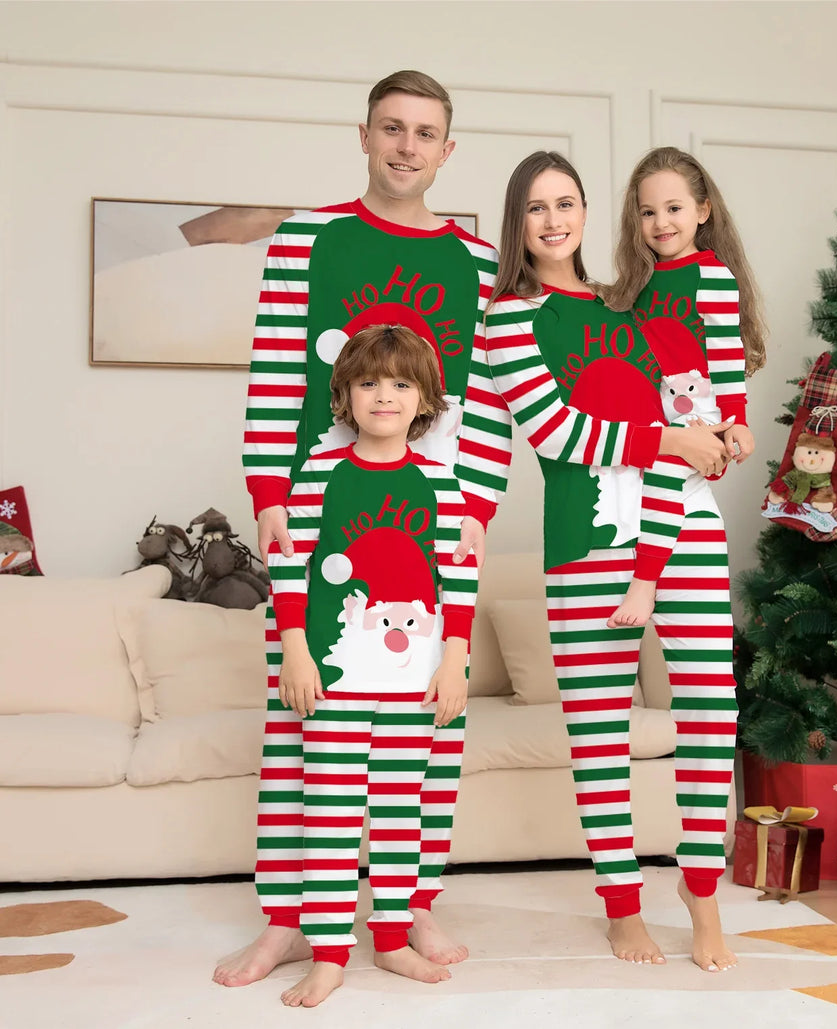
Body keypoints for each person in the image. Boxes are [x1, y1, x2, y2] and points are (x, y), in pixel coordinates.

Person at [215, 69, 509, 989]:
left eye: (426, 132)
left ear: (447, 150)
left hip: (432, 512)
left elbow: (489, 395)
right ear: (366, 134)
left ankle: (407, 907)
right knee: (301, 729)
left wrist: (478, 507)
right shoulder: (307, 236)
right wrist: (270, 492)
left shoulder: (473, 257)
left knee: (428, 733)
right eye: (392, 128)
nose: (407, 146)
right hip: (320, 513)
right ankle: (289, 919)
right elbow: (274, 372)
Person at [472, 150, 737, 972]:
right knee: (598, 733)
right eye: (535, 208)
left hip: (683, 522)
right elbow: (557, 434)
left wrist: (722, 434)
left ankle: (702, 894)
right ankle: (621, 904)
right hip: (584, 540)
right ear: (518, 222)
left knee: (711, 716)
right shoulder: (510, 318)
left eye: (567, 203)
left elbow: (696, 392)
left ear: (591, 213)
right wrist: (670, 438)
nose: (554, 221)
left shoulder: (632, 301)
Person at [270, 323, 478, 1007]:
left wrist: (455, 660)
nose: (383, 395)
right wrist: (295, 650)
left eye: (399, 383)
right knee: (329, 812)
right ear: (345, 395)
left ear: (423, 399)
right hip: (333, 678)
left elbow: (459, 577)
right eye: (367, 382)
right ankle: (329, 951)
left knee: (399, 812)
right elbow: (289, 566)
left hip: (417, 680)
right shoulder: (319, 476)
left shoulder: (445, 484)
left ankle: (389, 938)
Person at [606, 146, 767, 628]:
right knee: (645, 473)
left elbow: (725, 350)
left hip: (702, 411)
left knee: (662, 475)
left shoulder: (712, 275)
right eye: (648, 212)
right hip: (657, 408)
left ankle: (645, 584)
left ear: (702, 210)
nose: (661, 223)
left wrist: (735, 420)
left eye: (673, 209)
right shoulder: (640, 280)